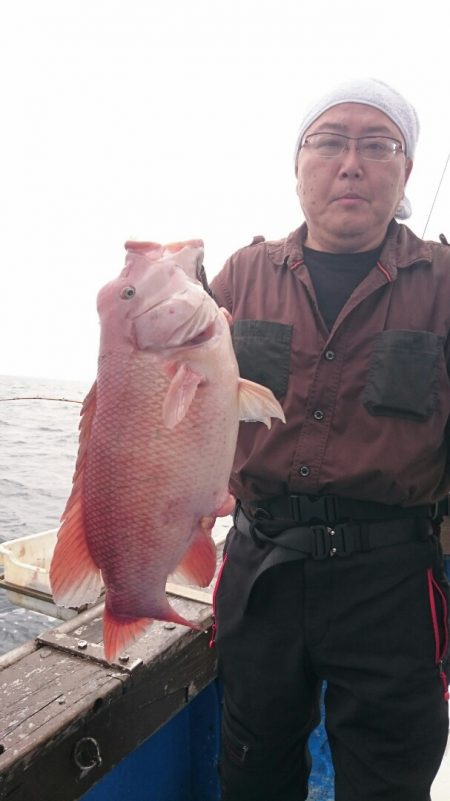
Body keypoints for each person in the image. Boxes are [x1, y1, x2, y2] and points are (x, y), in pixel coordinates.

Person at [208, 78, 450, 801]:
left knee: (388, 783)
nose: (352, 163)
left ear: (405, 172)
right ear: (299, 164)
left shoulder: (444, 283)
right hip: (261, 570)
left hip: (395, 583)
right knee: (253, 771)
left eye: (378, 145)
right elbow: (178, 408)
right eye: (330, 141)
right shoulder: (241, 276)